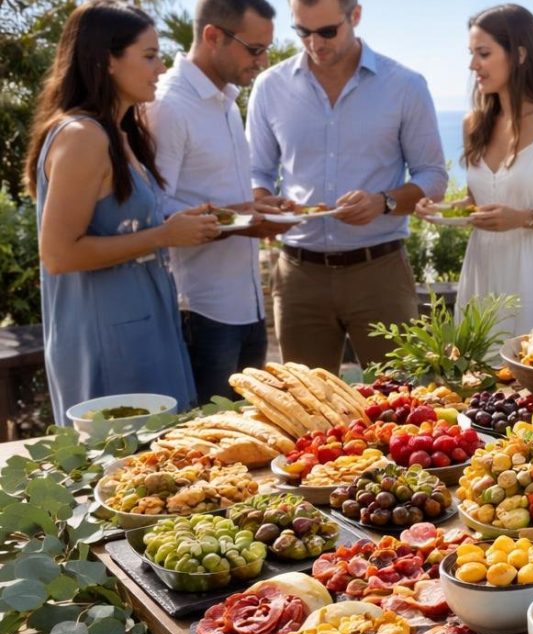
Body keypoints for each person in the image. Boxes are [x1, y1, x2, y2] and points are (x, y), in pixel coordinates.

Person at [25, 1, 218, 425]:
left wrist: (176, 226)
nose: (161, 68)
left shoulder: (121, 132)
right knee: (120, 472)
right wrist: (163, 236)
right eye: (149, 55)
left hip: (144, 329)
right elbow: (58, 255)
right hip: (106, 340)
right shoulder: (82, 137)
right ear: (105, 60)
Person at [247, 0, 447, 372]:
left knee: (400, 401)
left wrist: (383, 202)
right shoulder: (270, 86)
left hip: (380, 272)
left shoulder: (405, 85)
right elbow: (255, 170)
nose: (314, 44)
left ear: (355, 16)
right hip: (297, 275)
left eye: (326, 31)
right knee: (305, 410)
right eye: (302, 32)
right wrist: (263, 202)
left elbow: (433, 177)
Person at [418, 4, 533, 335]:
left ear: (519, 54)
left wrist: (523, 218)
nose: (472, 64)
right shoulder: (473, 123)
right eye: (471, 53)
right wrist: (440, 210)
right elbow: (478, 201)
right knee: (476, 380)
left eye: (483, 53)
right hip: (481, 275)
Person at [148, 0, 285, 404]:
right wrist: (242, 219)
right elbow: (155, 212)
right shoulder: (169, 105)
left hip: (247, 305)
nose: (262, 62)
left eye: (266, 50)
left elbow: (218, 197)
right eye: (254, 49)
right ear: (213, 37)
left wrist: (259, 209)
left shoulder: (224, 100)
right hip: (202, 312)